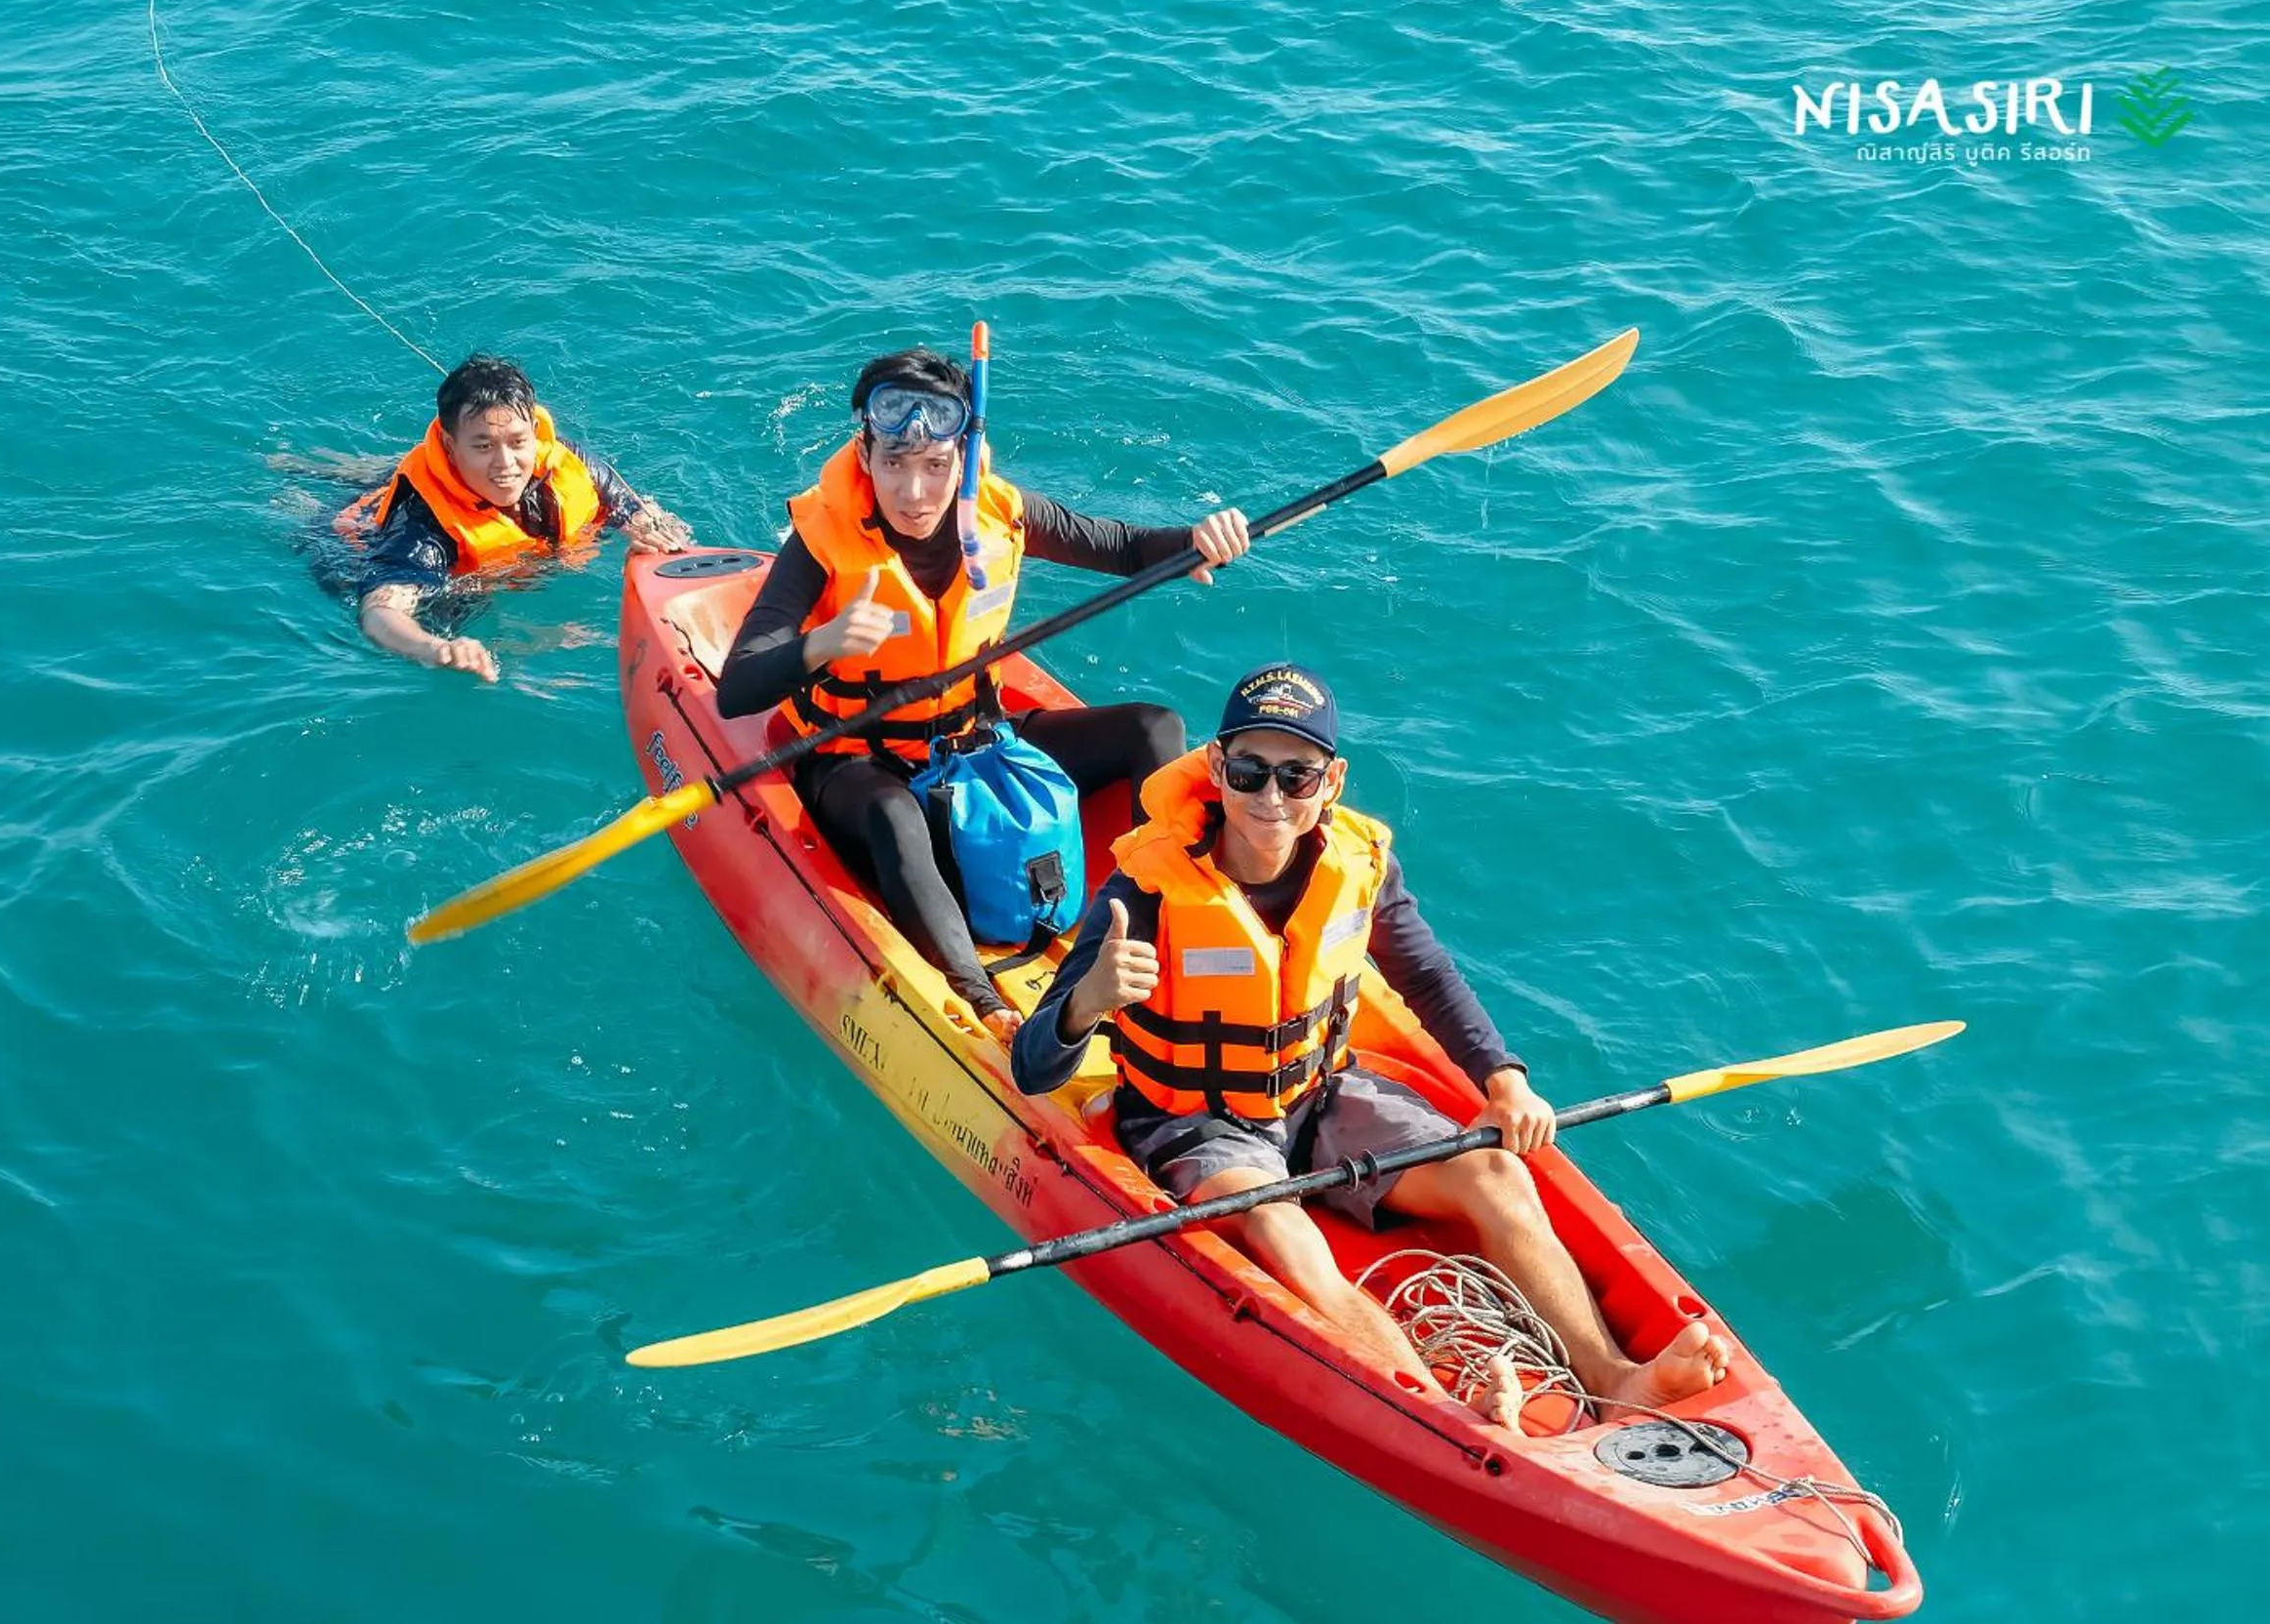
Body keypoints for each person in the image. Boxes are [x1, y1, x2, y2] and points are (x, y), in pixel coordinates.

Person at [1010, 664, 1732, 1421]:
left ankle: (1618, 1379)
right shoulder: (1144, 890)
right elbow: (1033, 1066)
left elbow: (1427, 975)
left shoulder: (1360, 865)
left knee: (1493, 1169)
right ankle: (1443, 1409)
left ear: (1332, 780)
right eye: (1250, 770)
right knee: (1275, 1220)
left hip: (1319, 1097)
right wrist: (1088, 999)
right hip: (1197, 1124)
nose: (1270, 797)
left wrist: (1504, 1077)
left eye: (1297, 775)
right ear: (1218, 768)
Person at [715, 346, 1253, 1041]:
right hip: (854, 759)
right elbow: (738, 686)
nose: (914, 492)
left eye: (936, 466)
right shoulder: (823, 539)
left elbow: (1119, 545)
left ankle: (1154, 920)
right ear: (864, 452)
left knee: (1154, 727)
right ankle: (983, 999)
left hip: (978, 737)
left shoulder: (1000, 512)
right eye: (893, 465)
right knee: (894, 817)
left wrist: (1195, 542)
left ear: (966, 458)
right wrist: (826, 642)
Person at [346, 353, 693, 681]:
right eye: (483, 446)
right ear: (450, 447)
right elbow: (379, 611)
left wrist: (656, 538)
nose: (506, 463)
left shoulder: (567, 464)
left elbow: (640, 513)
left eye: (517, 442)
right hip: (352, 529)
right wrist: (436, 647)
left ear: (534, 432)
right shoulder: (424, 525)